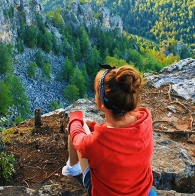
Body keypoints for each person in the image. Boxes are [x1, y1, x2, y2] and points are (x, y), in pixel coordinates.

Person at [62, 64, 157, 196]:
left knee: (80, 129)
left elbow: (78, 138)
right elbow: (120, 137)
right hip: (142, 191)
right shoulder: (145, 120)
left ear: (101, 103)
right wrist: (95, 126)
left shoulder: (96, 142)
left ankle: (71, 168)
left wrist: (76, 118)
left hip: (105, 192)